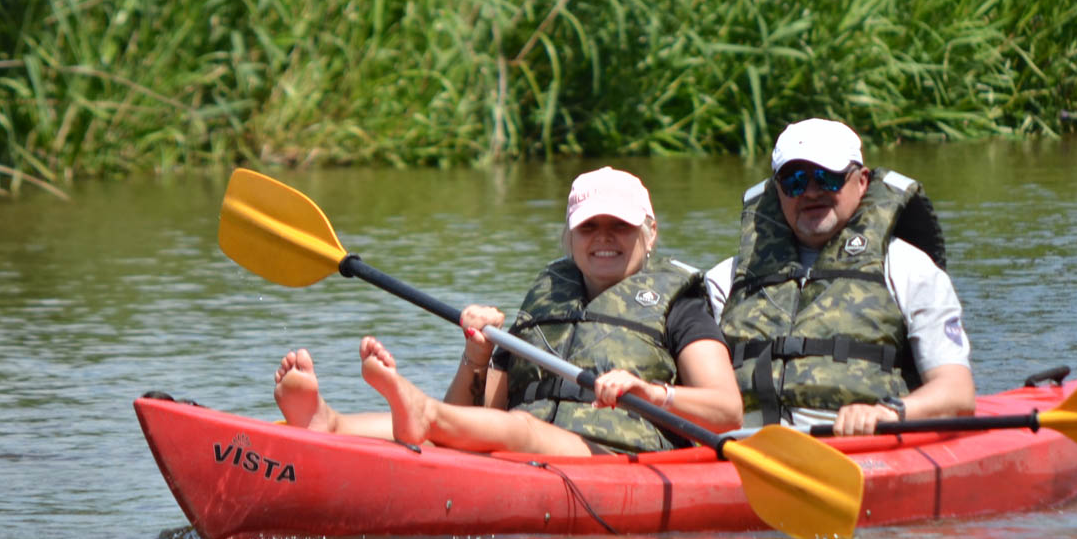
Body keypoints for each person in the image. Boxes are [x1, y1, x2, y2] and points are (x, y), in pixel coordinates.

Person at [274, 167, 742, 455]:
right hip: (528, 445)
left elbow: (727, 411)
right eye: (589, 227)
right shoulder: (547, 299)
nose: (604, 237)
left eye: (620, 225)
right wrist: (475, 357)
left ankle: (416, 408)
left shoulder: (682, 307)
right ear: (569, 237)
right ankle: (330, 423)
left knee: (515, 428)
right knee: (456, 425)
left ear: (650, 233)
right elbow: (477, 415)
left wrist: (650, 391)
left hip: (614, 454)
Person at [705, 118, 975, 436]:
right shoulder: (725, 281)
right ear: (777, 190)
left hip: (860, 446)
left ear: (862, 181)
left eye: (827, 178)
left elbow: (957, 395)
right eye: (794, 181)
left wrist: (889, 412)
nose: (811, 192)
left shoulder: (909, 268)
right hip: (742, 449)